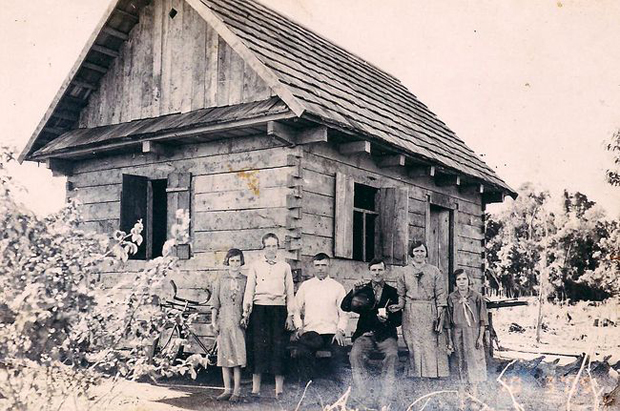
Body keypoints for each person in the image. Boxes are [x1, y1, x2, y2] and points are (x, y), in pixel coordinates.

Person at [341, 258, 402, 407]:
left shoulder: (392, 292)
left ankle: (385, 400)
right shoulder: (362, 289)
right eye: (374, 270)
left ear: (384, 271)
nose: (377, 273)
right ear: (369, 271)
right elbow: (345, 307)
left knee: (392, 356)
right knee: (355, 355)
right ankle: (365, 398)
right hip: (365, 334)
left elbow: (398, 320)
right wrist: (353, 291)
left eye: (380, 270)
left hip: (386, 335)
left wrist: (387, 319)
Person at [242, 233, 295, 399]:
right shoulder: (256, 266)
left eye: (274, 246)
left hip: (279, 310)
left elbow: (290, 292)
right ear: (263, 247)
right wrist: (246, 312)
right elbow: (249, 290)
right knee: (258, 347)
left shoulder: (284, 267)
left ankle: (279, 390)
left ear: (278, 247)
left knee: (278, 348)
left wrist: (290, 315)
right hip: (259, 310)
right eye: (268, 246)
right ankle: (255, 389)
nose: (271, 249)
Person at [292, 253, 348, 384]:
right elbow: (296, 309)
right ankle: (308, 384)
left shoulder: (337, 287)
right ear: (313, 267)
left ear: (329, 266)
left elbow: (344, 312)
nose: (320, 268)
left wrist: (340, 331)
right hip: (311, 332)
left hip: (331, 332)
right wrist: (299, 327)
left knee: (340, 352)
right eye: (317, 265)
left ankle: (339, 386)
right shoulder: (306, 286)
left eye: (323, 265)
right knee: (302, 352)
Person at [211, 248, 247, 403]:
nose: (235, 264)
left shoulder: (245, 280)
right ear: (227, 262)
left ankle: (237, 391)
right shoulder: (220, 279)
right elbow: (215, 302)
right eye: (232, 260)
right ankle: (227, 389)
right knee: (225, 356)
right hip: (224, 319)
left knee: (237, 355)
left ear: (241, 262)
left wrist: (245, 316)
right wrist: (214, 321)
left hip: (238, 319)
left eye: (237, 260)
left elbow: (248, 301)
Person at [446, 269, 488, 397]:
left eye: (464, 279)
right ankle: (462, 396)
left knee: (473, 361)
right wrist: (450, 340)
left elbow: (483, 320)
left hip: (473, 333)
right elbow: (448, 322)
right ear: (455, 282)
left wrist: (480, 338)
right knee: (460, 360)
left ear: (469, 280)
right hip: (457, 333)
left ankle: (474, 395)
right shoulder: (451, 298)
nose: (462, 282)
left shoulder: (476, 297)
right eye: (458, 279)